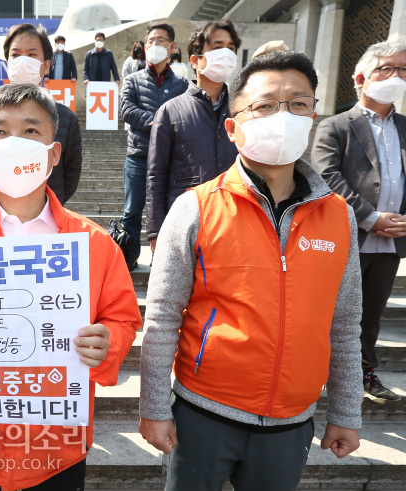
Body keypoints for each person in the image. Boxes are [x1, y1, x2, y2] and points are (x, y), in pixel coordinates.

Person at [139, 51, 363, 491]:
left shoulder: (339, 216)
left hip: (291, 424)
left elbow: (345, 322)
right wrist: (153, 407)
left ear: (313, 116)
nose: (283, 115)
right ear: (233, 125)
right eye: (263, 106)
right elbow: (162, 316)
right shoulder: (197, 207)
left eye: (298, 104)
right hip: (203, 414)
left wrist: (345, 413)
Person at [0, 82, 142, 491]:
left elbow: (124, 318)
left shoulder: (95, 245)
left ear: (55, 154)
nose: (15, 142)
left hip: (60, 446)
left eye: (31, 131)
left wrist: (110, 341)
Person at [312, 39, 406, 403]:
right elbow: (326, 177)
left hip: (390, 242)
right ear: (361, 78)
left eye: (402, 70)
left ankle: (364, 374)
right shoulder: (337, 125)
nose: (395, 76)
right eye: (387, 68)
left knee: (372, 314)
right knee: (331, 311)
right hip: (345, 237)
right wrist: (369, 217)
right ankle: (318, 372)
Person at [146, 20, 241, 253]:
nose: (226, 54)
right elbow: (155, 176)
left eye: (231, 48)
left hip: (237, 221)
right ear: (195, 60)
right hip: (187, 223)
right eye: (218, 47)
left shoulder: (243, 111)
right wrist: (156, 231)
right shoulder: (170, 111)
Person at [0, 23, 82, 207]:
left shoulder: (65, 118)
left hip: (48, 219)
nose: (23, 61)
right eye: (15, 55)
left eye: (31, 55)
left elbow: (70, 176)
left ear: (46, 66)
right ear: (8, 63)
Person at [119, 22, 188, 269]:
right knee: (131, 211)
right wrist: (160, 122)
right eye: (151, 41)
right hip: (138, 157)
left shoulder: (182, 84)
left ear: (172, 48)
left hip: (170, 159)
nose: (154, 45)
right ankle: (128, 259)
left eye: (160, 40)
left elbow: (187, 115)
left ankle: (169, 262)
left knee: (170, 213)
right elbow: (127, 110)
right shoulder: (132, 80)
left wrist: (163, 124)